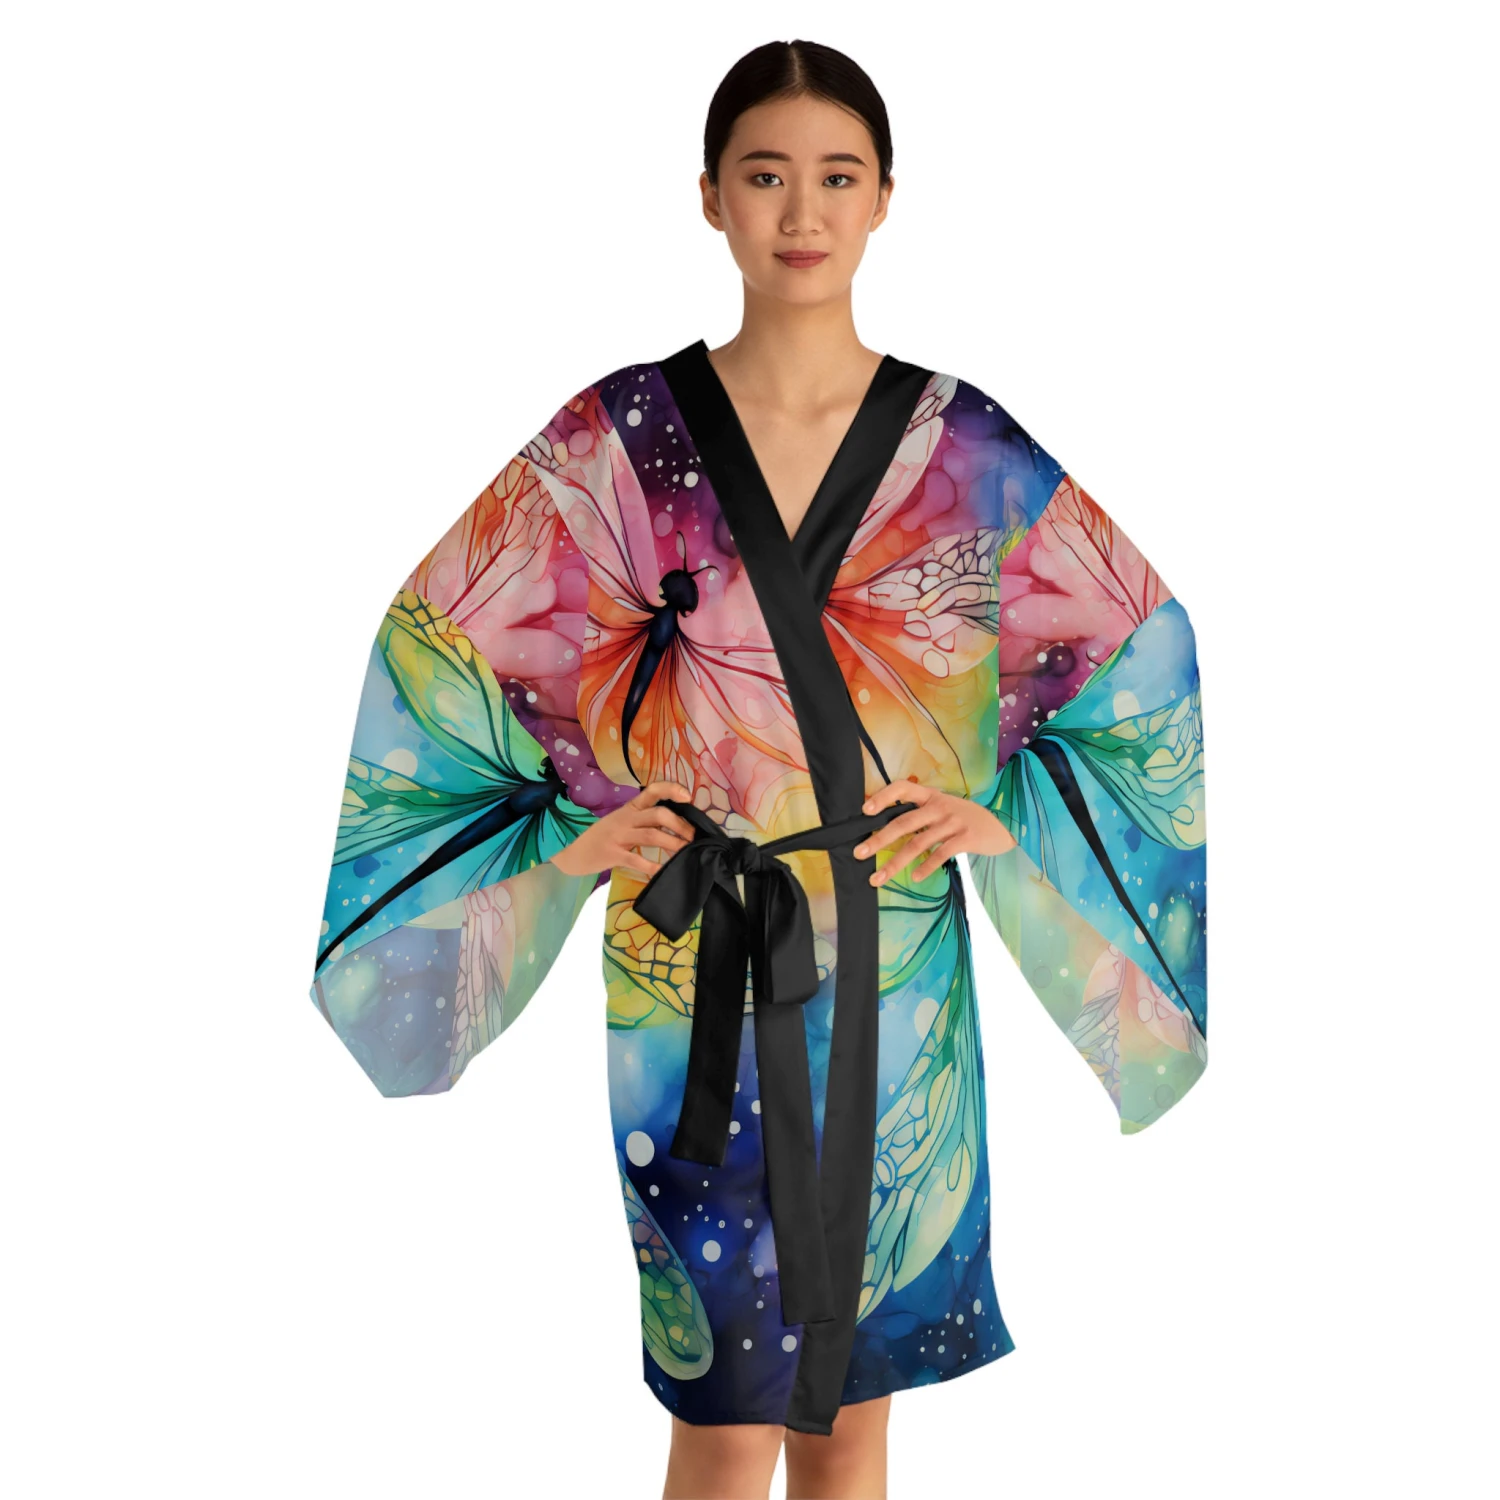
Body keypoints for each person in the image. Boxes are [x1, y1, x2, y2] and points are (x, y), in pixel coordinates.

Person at [308, 37, 1209, 1500]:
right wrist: (575, 840)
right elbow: (445, 644)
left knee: (853, 1419)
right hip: (692, 975)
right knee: (720, 1419)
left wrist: (998, 815)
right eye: (767, 175)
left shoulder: (961, 441)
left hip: (896, 975)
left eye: (837, 177)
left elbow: (1135, 640)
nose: (803, 211)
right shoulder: (617, 437)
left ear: (885, 198)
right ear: (712, 197)